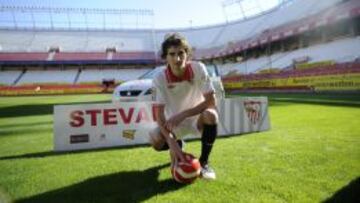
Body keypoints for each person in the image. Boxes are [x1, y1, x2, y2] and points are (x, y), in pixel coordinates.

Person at [149, 33, 218, 180]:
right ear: (165, 57)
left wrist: (184, 114)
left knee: (211, 115)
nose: (177, 59)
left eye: (181, 53)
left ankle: (204, 162)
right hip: (173, 123)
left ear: (187, 54)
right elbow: (159, 116)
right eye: (172, 54)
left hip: (197, 119)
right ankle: (179, 143)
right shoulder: (158, 79)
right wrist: (171, 142)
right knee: (155, 139)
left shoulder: (199, 68)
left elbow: (211, 102)